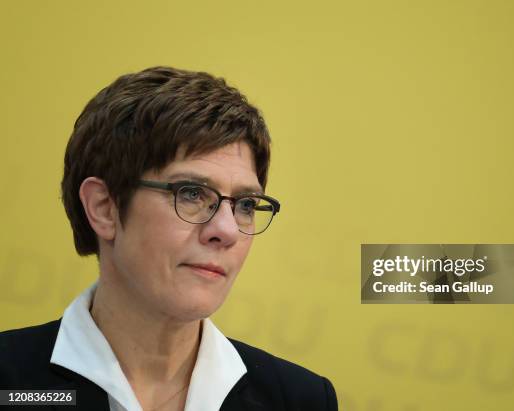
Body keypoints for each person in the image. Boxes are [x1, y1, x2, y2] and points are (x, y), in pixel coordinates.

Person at [0, 66, 338, 411]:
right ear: (104, 208)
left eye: (246, 204)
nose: (227, 230)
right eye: (191, 193)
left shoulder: (299, 399)